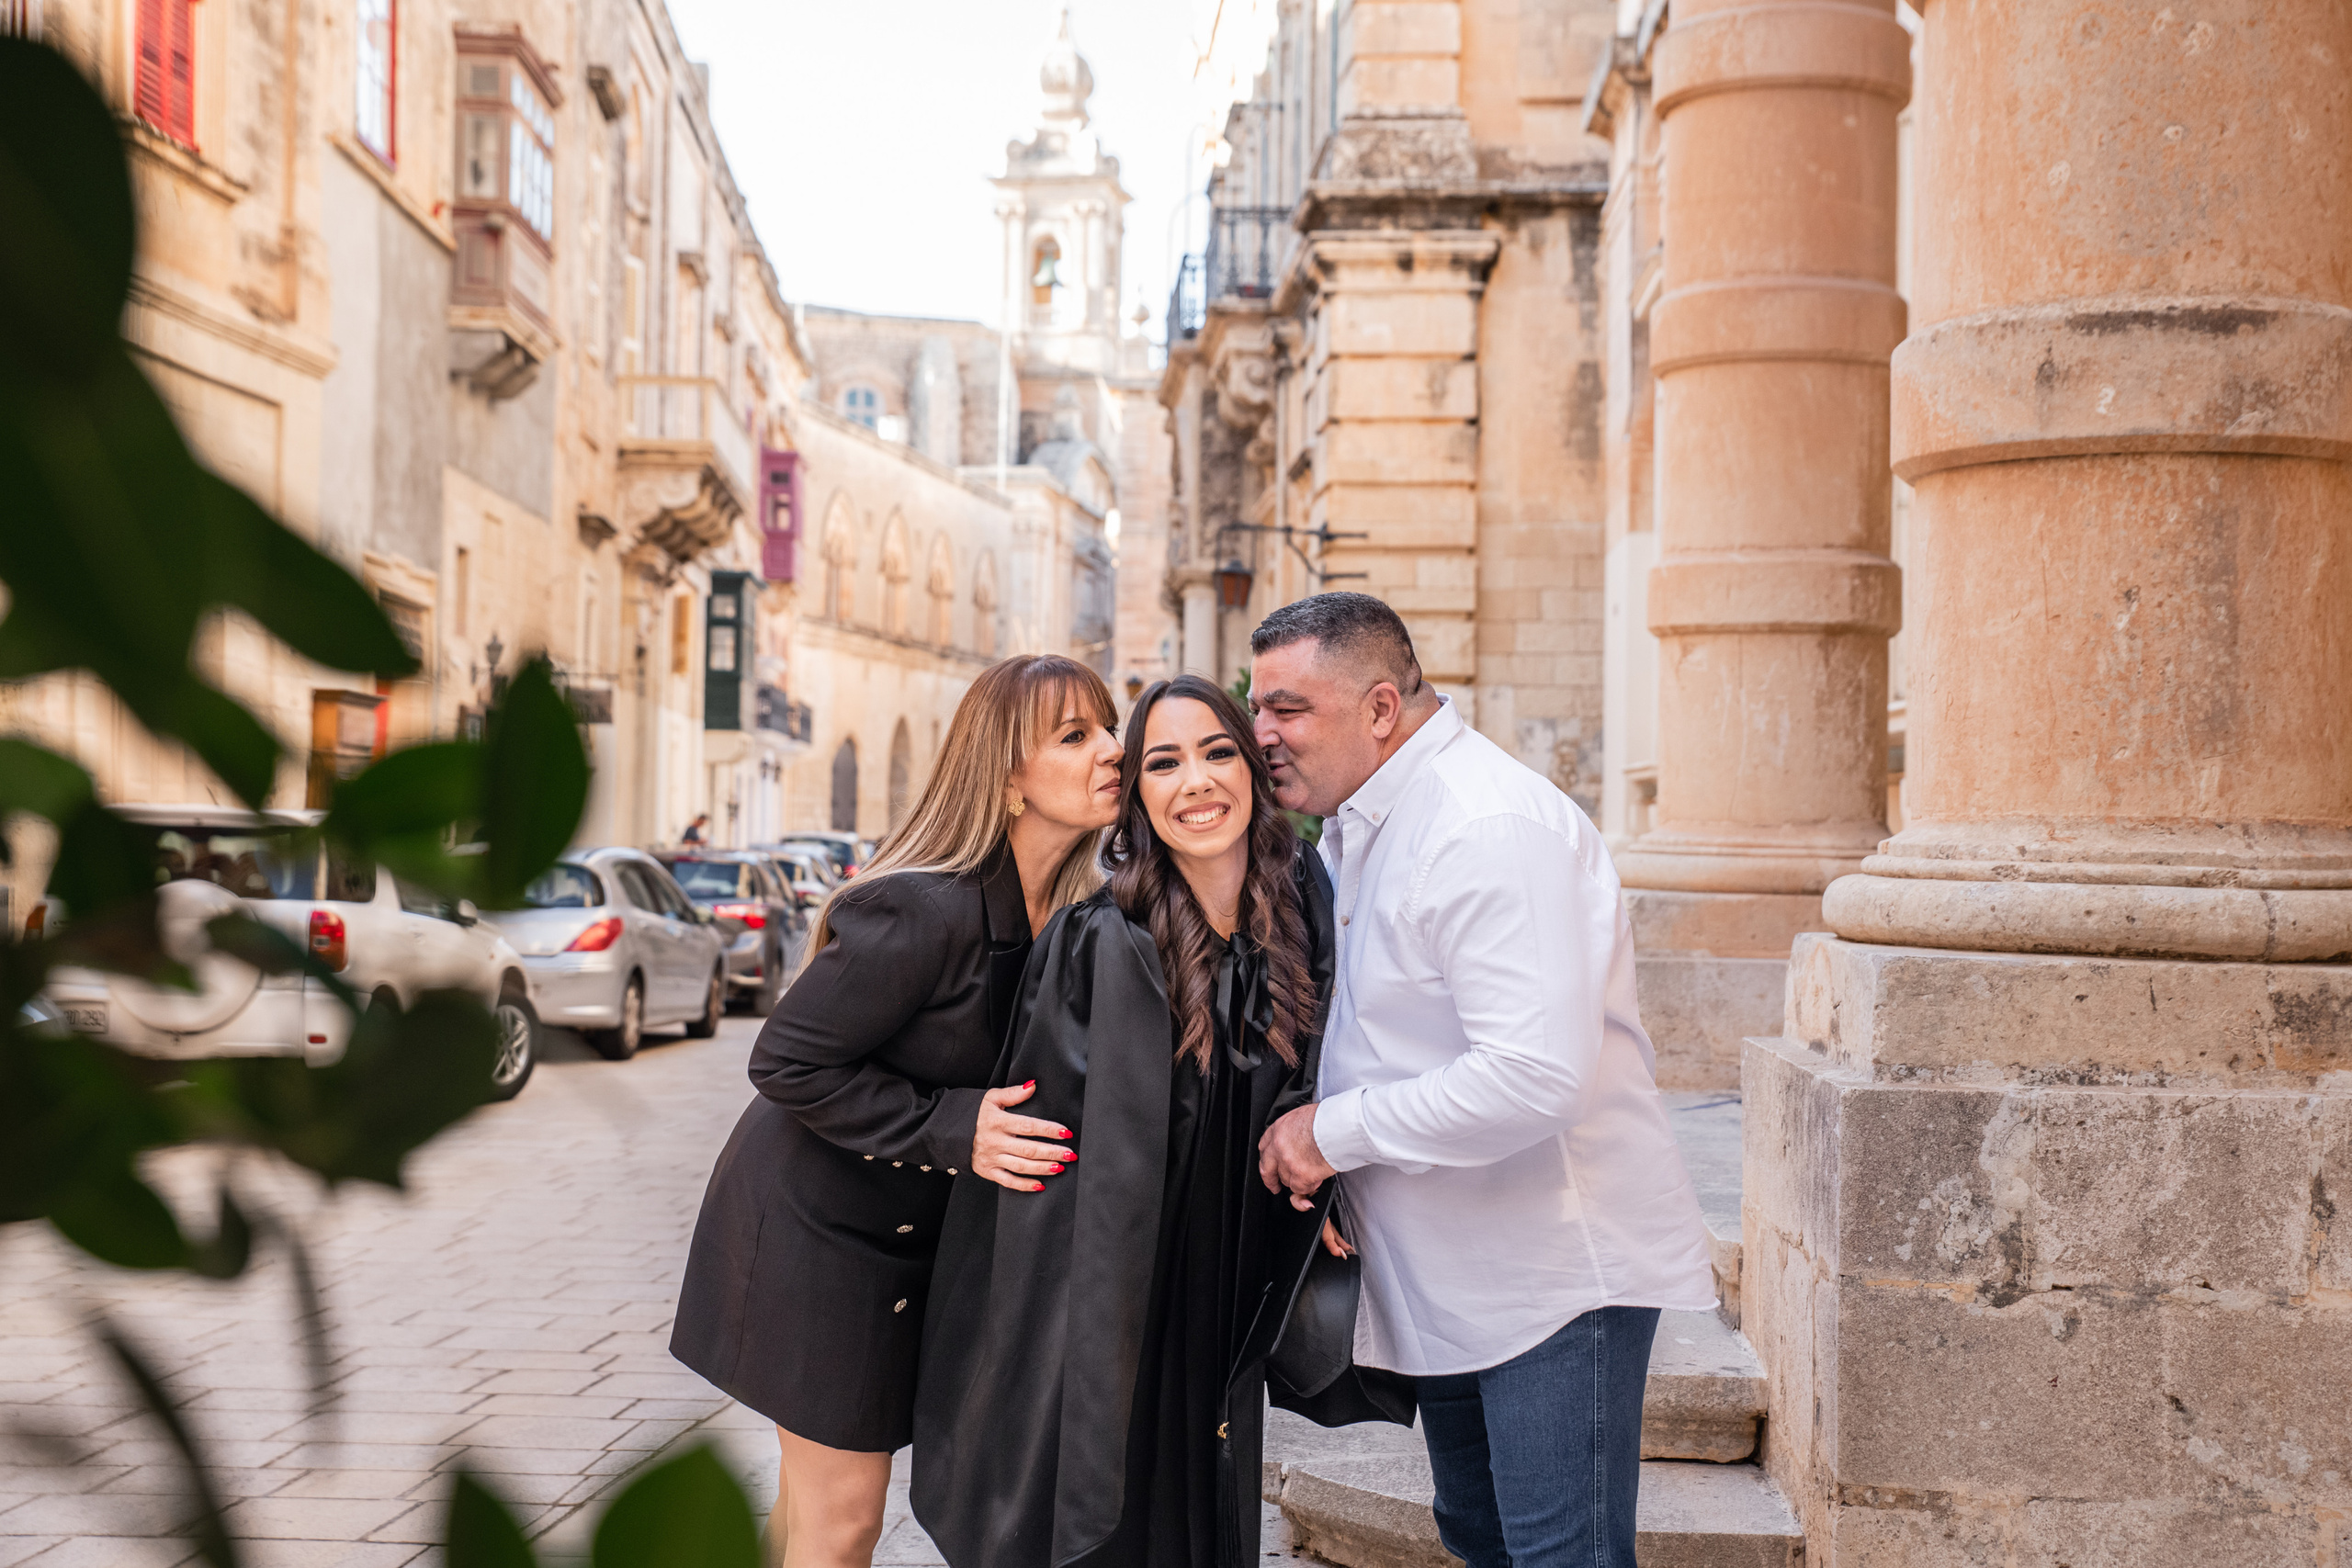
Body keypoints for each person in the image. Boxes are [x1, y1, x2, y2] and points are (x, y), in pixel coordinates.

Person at [1249, 593, 1716, 1568]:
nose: (1261, 737)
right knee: (1480, 1537)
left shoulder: (1486, 825)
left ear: (1380, 708)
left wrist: (1331, 1136)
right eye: (1258, 709)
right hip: (1453, 1273)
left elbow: (1532, 1076)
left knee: (1558, 1556)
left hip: (1549, 1279)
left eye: (1286, 708)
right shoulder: (1367, 819)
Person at [914, 674, 1376, 1568]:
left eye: (1214, 753)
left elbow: (1321, 1064)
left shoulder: (1300, 909)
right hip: (1114, 1309)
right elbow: (1055, 1183)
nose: (1194, 781)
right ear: (1138, 798)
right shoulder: (1100, 940)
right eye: (1162, 762)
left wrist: (1315, 1154)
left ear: (1250, 767)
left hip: (1227, 1290)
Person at [671, 654, 1122, 1568]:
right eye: (1075, 736)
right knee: (841, 1525)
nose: (1111, 750)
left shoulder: (1076, 915)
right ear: (1005, 782)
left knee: (807, 1518)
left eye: (1109, 727)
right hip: (815, 1238)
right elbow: (786, 1060)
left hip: (908, 1247)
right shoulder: (921, 909)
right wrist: (958, 1129)